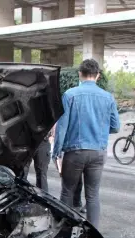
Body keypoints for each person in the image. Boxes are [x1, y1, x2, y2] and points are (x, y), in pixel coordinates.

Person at [52, 59, 120, 228]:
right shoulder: (108, 97)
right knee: (92, 195)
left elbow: (62, 127)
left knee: (67, 192)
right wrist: (100, 131)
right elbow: (115, 127)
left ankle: (63, 230)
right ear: (97, 76)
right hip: (98, 152)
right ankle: (94, 237)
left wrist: (56, 152)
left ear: (79, 74)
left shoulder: (70, 95)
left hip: (74, 152)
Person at [23, 126, 52, 191]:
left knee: (41, 176)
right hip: (26, 140)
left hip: (42, 141)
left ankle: (43, 198)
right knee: (22, 175)